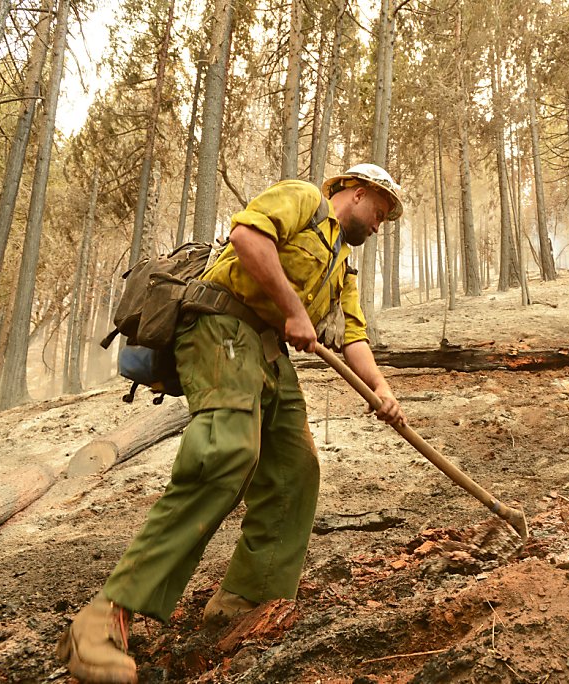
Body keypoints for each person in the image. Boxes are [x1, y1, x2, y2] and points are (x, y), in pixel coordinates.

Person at [56, 164, 407, 684]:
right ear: (357, 193)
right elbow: (247, 237)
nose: (380, 224)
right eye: (381, 211)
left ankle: (247, 598)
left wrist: (381, 391)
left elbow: (352, 335)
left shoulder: (342, 269)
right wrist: (294, 310)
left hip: (266, 351)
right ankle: (100, 623)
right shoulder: (304, 199)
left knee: (295, 468)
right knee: (225, 452)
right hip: (219, 324)